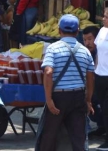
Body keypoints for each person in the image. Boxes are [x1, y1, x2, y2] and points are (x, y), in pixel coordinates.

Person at [36, 14, 95, 151]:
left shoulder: (53, 49)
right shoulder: (85, 51)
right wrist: (88, 100)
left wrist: (49, 99)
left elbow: (48, 72)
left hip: (58, 98)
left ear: (59, 30)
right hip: (78, 96)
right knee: (78, 138)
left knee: (49, 136)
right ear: (77, 31)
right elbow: (91, 77)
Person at [83, 25, 105, 137]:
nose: (87, 43)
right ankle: (102, 127)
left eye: (90, 39)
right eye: (85, 40)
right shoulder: (85, 54)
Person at [93, 8, 108, 150]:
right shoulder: (102, 31)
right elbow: (98, 52)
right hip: (100, 76)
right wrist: (96, 68)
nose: (103, 19)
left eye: (106, 17)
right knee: (102, 108)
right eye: (104, 16)